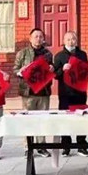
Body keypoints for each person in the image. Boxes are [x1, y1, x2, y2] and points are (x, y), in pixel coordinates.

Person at [15, 28, 55, 158]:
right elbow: (15, 70)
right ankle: (28, 147)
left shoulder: (48, 54)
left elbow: (52, 69)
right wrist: (20, 71)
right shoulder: (23, 53)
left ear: (43, 39)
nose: (38, 39)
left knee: (42, 120)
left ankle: (41, 147)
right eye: (36, 36)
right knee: (28, 120)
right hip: (28, 92)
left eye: (40, 37)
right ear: (30, 38)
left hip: (43, 91)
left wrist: (52, 68)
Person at [54, 31, 88, 157]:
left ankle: (81, 145)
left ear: (76, 41)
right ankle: (66, 147)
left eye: (73, 39)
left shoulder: (82, 54)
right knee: (65, 119)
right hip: (65, 92)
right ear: (64, 41)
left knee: (81, 118)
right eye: (68, 39)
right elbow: (54, 75)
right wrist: (62, 69)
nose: (71, 42)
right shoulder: (59, 56)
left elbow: (86, 70)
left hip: (80, 91)